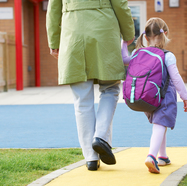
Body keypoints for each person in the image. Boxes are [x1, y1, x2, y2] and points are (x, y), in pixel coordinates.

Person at [46, 0, 135, 171]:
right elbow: (120, 4)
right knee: (110, 88)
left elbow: (53, 10)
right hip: (103, 31)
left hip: (73, 33)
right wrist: (128, 32)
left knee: (82, 98)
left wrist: (54, 41)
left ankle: (91, 158)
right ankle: (101, 136)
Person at [121, 17, 187, 174]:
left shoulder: (137, 52)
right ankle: (151, 156)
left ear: (145, 37)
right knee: (160, 125)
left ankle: (162, 156)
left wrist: (124, 43)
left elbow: (124, 59)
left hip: (148, 96)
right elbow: (176, 78)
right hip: (164, 97)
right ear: (165, 34)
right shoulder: (167, 55)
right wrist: (185, 96)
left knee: (160, 124)